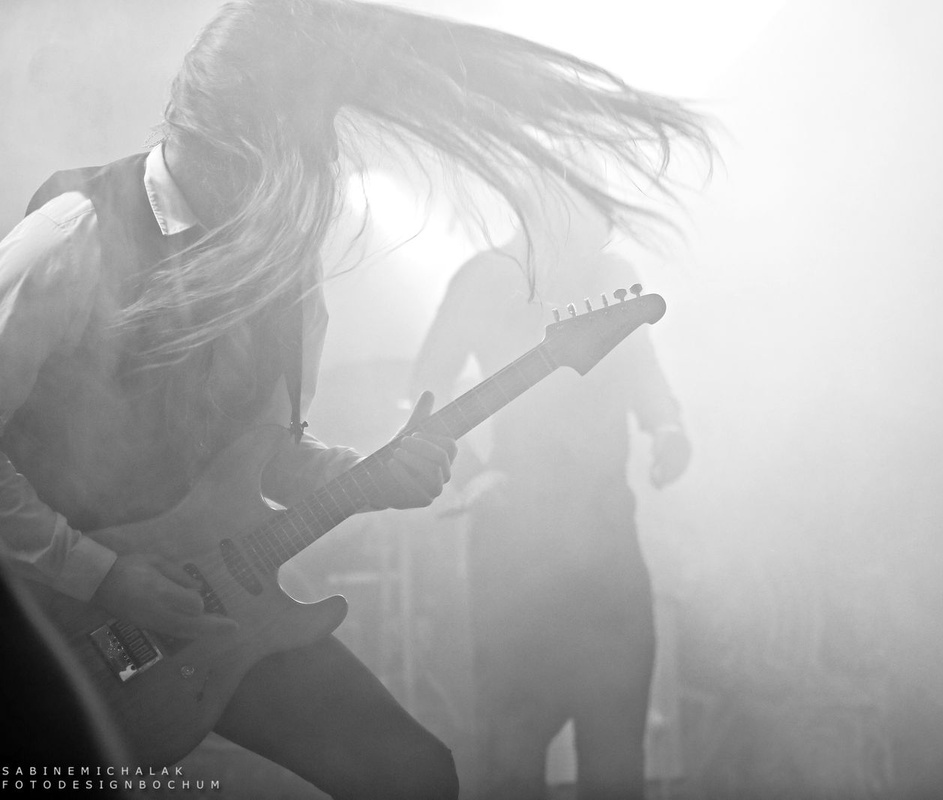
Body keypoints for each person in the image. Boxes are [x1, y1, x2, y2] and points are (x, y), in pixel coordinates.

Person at [0, 1, 712, 798]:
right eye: (285, 154)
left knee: (414, 776)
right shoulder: (74, 232)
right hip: (51, 617)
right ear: (223, 134)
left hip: (217, 610)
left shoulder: (283, 265)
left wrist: (368, 475)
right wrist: (99, 575)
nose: (305, 179)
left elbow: (270, 456)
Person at [410, 186, 692, 800]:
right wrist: (470, 473)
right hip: (515, 548)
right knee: (512, 759)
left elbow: (643, 368)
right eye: (587, 219)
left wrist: (667, 427)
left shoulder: (611, 275)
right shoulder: (484, 278)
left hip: (609, 544)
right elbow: (426, 388)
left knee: (617, 761)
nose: (598, 236)